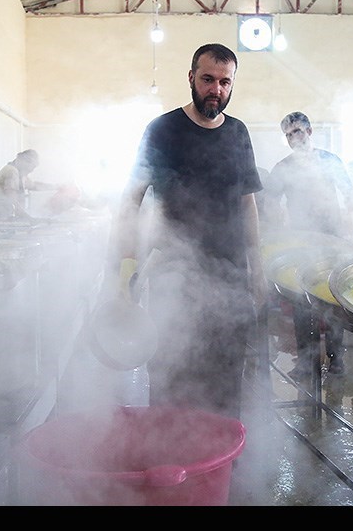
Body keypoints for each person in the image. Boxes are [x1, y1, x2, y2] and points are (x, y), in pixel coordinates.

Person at [111, 43, 266, 419]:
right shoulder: (162, 130)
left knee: (227, 378)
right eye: (208, 79)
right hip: (172, 276)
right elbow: (131, 201)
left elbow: (247, 203)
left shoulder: (238, 133)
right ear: (191, 78)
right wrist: (125, 267)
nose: (216, 90)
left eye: (225, 82)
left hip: (229, 276)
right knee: (171, 372)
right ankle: (170, 460)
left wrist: (258, 268)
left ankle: (220, 463)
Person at [265, 111, 353, 376]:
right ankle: (307, 360)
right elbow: (271, 202)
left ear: (310, 131)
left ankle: (336, 359)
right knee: (300, 297)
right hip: (301, 240)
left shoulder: (329, 161)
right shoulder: (283, 168)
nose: (295, 138)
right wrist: (278, 226)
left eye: (298, 132)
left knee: (333, 297)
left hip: (332, 238)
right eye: (289, 135)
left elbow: (349, 195)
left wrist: (351, 229)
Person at [0, 149, 60, 220]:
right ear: (23, 161)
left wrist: (56, 186)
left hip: (3, 217)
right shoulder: (11, 171)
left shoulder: (20, 173)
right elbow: (12, 201)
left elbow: (34, 185)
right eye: (32, 167)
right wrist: (28, 218)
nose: (31, 170)